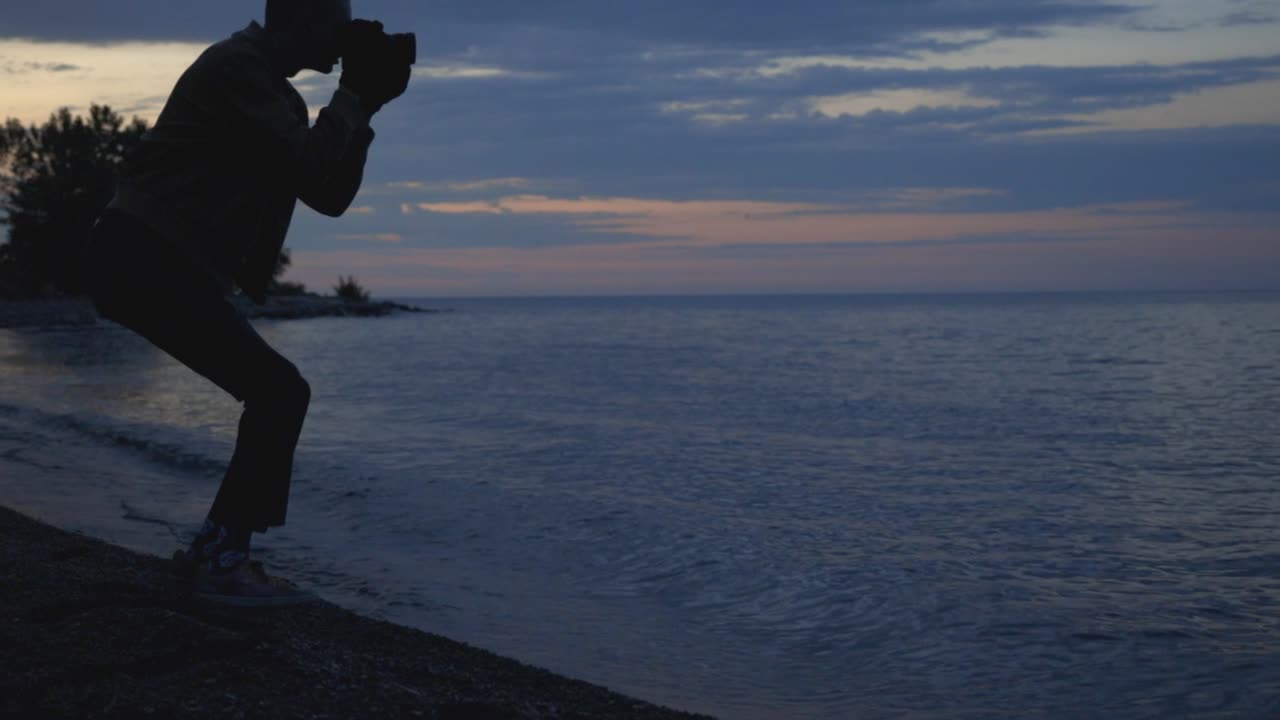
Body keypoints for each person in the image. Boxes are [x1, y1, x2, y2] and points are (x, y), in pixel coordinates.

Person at [80, 0, 411, 606]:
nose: (345, 38)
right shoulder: (235, 69)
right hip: (142, 257)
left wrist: (365, 108)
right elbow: (312, 163)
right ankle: (222, 561)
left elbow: (327, 193)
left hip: (163, 265)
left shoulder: (278, 97)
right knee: (279, 392)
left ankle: (217, 553)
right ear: (302, 18)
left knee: (278, 392)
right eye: (337, 23)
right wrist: (352, 95)